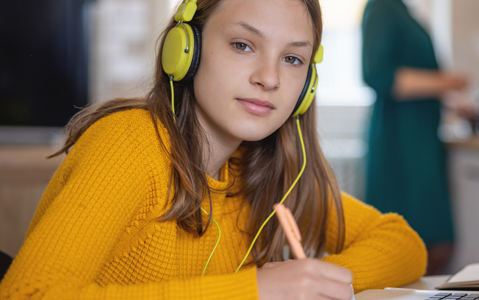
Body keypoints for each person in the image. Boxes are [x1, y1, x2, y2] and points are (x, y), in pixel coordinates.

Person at [0, 0, 427, 299]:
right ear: (186, 50)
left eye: (292, 59)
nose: (270, 78)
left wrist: (315, 283)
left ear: (306, 89)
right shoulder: (129, 143)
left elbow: (404, 243)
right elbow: (29, 295)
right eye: (243, 45)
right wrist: (255, 291)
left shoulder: (264, 173)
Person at [361, 0, 472, 275]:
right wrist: (448, 82)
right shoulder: (381, 7)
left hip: (421, 137)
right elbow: (379, 75)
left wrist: (450, 100)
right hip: (400, 140)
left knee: (435, 242)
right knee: (422, 241)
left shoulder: (403, 11)